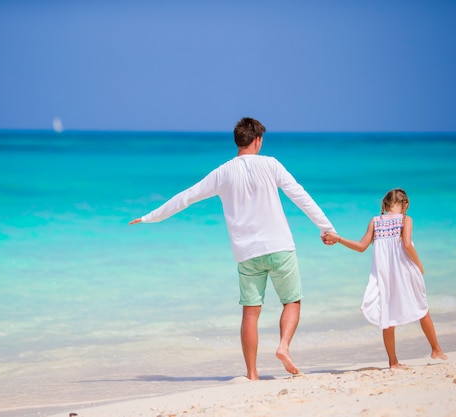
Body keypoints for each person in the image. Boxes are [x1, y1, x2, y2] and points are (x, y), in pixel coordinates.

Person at [129, 117, 336, 379]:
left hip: (247, 253)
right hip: (279, 245)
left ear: (238, 141)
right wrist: (325, 227)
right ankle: (283, 346)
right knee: (291, 301)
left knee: (251, 313)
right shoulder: (271, 164)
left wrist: (150, 217)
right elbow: (300, 195)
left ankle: (252, 374)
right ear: (258, 140)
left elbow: (186, 197)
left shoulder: (222, 172)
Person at [324, 188, 447, 369]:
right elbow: (407, 244)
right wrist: (419, 264)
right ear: (405, 204)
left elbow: (360, 247)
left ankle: (393, 362)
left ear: (385, 204)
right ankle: (436, 350)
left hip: (384, 274)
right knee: (422, 307)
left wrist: (338, 238)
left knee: (387, 314)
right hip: (406, 270)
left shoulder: (375, 222)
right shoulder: (406, 219)